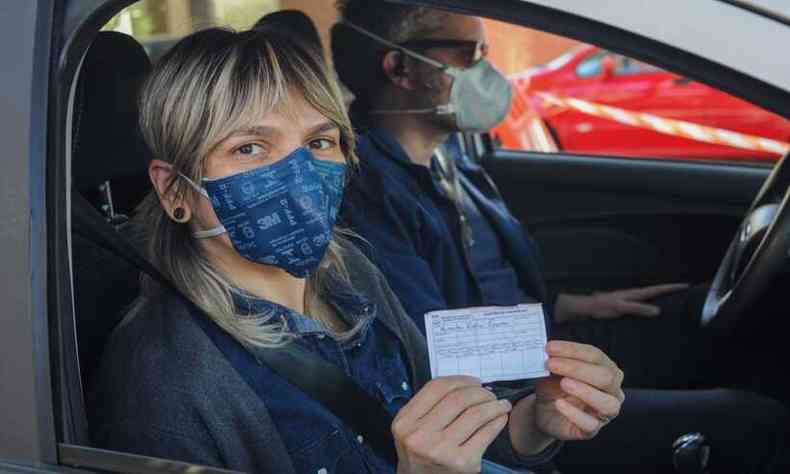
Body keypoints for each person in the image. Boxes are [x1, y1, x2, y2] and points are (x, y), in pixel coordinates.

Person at [87, 26, 627, 474]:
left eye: (319, 142)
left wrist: (534, 422)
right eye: (249, 147)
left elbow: (448, 430)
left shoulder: (351, 273)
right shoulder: (166, 385)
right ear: (175, 189)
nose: (298, 174)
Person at [331, 2, 787, 472]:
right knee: (758, 423)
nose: (488, 70)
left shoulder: (451, 160)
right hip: (507, 396)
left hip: (542, 346)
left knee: (697, 315)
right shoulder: (370, 193)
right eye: (471, 54)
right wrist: (539, 388)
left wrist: (577, 305)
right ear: (401, 68)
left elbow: (491, 282)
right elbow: (431, 341)